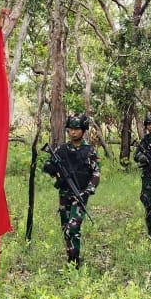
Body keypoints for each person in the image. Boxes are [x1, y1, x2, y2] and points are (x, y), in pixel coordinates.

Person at [42, 114, 101, 267]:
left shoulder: (90, 151)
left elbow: (96, 173)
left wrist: (88, 190)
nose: (73, 132)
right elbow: (48, 166)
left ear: (83, 130)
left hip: (80, 194)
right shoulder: (61, 150)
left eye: (77, 129)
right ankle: (71, 257)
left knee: (73, 228)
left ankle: (74, 263)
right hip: (64, 194)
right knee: (65, 228)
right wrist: (54, 170)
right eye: (71, 129)